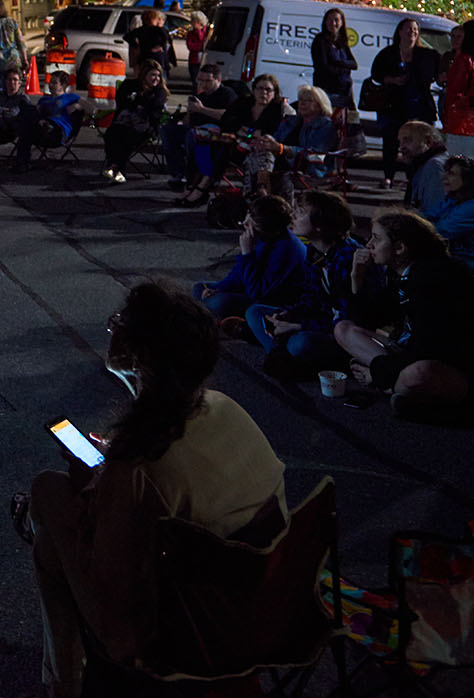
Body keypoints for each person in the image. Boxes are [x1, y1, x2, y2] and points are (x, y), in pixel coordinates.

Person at [26, 282, 288, 698]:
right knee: (53, 531)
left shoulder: (137, 466)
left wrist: (96, 491)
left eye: (118, 325)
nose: (111, 331)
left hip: (171, 632)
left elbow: (112, 584)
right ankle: (64, 681)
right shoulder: (225, 409)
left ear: (136, 354)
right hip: (254, 602)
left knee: (48, 495)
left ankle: (64, 685)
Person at [335, 210, 474, 421]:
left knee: (417, 373)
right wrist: (357, 277)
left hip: (460, 366)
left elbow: (427, 348)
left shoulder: (432, 279)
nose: (369, 243)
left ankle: (396, 388)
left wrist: (377, 370)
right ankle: (399, 388)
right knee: (343, 329)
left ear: (400, 247)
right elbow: (367, 319)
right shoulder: (402, 274)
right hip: (414, 349)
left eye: (377, 238)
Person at [247, 190, 366, 379]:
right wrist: (289, 314)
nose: (293, 216)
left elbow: (346, 319)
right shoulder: (314, 252)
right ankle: (285, 356)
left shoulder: (347, 257)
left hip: (343, 333)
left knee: (301, 342)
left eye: (301, 212)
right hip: (320, 320)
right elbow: (311, 298)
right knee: (255, 312)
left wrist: (298, 326)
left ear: (320, 226)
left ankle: (290, 357)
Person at [178, 73, 291, 207]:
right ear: (254, 90)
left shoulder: (278, 109)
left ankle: (202, 187)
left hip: (260, 151)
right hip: (236, 146)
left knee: (223, 150)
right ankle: (194, 184)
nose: (263, 93)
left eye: (268, 90)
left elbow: (269, 133)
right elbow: (227, 120)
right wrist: (247, 132)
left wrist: (246, 132)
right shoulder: (243, 103)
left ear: (275, 93)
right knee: (205, 146)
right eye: (260, 88)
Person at [191, 195, 307, 321]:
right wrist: (219, 287)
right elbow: (239, 274)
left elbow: (258, 293)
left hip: (272, 300)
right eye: (248, 214)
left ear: (270, 229)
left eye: (255, 225)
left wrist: (247, 254)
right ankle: (208, 314)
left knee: (219, 302)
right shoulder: (264, 238)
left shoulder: (285, 249)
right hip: (252, 287)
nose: (245, 223)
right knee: (200, 288)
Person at [369, 17, 441, 188]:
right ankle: (389, 176)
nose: (412, 33)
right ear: (400, 32)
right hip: (394, 105)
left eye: (415, 30)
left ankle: (415, 177)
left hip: (419, 105)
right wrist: (392, 80)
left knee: (419, 143)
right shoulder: (388, 53)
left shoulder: (427, 55)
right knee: (391, 141)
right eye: (408, 29)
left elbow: (438, 74)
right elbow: (376, 75)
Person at [247, 85, 339, 198]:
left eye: (309, 100)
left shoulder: (325, 127)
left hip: (305, 166)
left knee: (262, 158)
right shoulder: (291, 121)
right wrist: (266, 141)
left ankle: (260, 192)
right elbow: (275, 139)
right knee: (260, 153)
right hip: (277, 161)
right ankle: (262, 192)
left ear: (320, 105)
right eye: (301, 100)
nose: (302, 103)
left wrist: (283, 149)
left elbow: (316, 155)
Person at [160, 64, 238, 192]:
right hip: (196, 129)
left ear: (218, 80)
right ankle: (178, 173)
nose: (203, 84)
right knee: (167, 131)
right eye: (200, 80)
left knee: (193, 134)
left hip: (219, 132)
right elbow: (187, 123)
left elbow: (227, 115)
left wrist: (202, 109)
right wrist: (190, 111)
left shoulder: (227, 94)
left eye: (208, 81)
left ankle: (192, 175)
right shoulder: (200, 96)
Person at [102, 60, 167, 183]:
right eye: (153, 75)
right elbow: (121, 102)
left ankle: (115, 168)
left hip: (146, 127)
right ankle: (115, 167)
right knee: (112, 134)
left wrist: (136, 101)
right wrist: (139, 102)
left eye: (158, 75)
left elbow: (152, 109)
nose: (156, 78)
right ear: (144, 75)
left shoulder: (160, 91)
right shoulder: (129, 85)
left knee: (126, 137)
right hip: (123, 122)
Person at [13, 71, 88, 173]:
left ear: (63, 85)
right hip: (41, 129)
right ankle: (22, 163)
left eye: (54, 82)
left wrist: (78, 106)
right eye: (50, 82)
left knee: (29, 126)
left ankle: (23, 162)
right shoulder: (44, 99)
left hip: (58, 132)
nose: (50, 85)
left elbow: (91, 108)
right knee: (27, 109)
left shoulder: (71, 97)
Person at [442, 19, 474, 126]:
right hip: (462, 118)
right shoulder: (465, 60)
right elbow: (455, 94)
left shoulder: (473, 59)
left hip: (468, 117)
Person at [311, 7, 359, 111]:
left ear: (342, 22)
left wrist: (338, 62)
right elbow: (322, 67)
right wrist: (344, 69)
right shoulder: (320, 41)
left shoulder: (341, 42)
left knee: (351, 121)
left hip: (345, 92)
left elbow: (354, 64)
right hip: (327, 91)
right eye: (330, 20)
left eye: (336, 20)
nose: (333, 23)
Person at [397, 121, 449, 217]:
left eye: (407, 140)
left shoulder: (434, 166)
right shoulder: (423, 164)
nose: (401, 147)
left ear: (428, 141)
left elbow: (434, 212)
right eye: (400, 142)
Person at [127, 9, 175, 73]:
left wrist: (136, 45)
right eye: (156, 19)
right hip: (157, 58)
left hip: (144, 56)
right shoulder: (158, 30)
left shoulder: (140, 30)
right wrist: (160, 46)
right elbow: (165, 38)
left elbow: (128, 37)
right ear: (152, 19)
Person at [184, 10, 209, 84]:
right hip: (193, 60)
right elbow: (190, 46)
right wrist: (201, 47)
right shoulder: (190, 33)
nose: (192, 22)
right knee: (195, 80)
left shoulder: (207, 32)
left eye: (193, 21)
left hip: (204, 59)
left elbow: (206, 44)